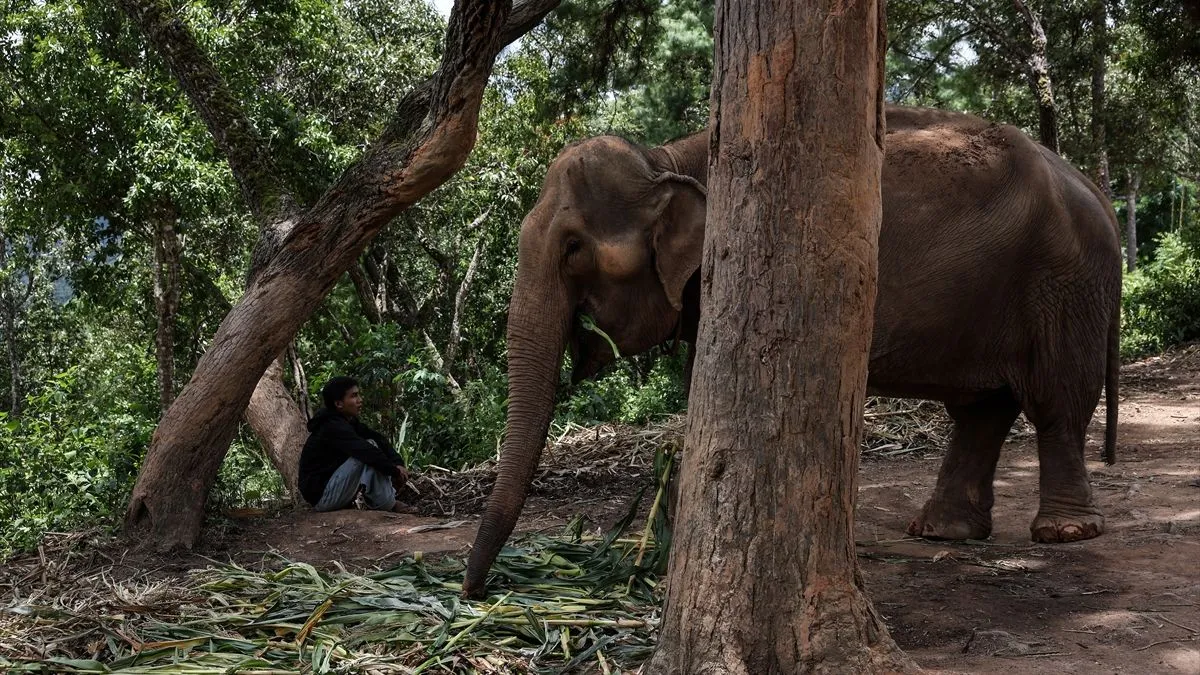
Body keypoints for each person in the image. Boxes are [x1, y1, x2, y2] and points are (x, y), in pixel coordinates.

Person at [298, 376, 410, 512]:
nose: (360, 400)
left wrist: (397, 462)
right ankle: (388, 504)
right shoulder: (331, 427)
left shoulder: (347, 422)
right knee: (368, 451)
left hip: (331, 490)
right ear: (339, 404)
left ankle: (387, 502)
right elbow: (367, 451)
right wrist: (395, 471)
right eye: (354, 396)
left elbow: (377, 438)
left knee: (372, 444)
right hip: (324, 498)